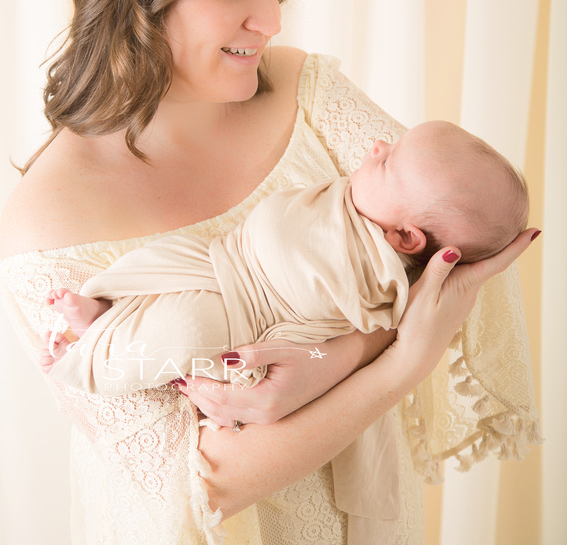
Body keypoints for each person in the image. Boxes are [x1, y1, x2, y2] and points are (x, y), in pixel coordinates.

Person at [0, 0, 540, 545]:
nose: (270, 20)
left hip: (361, 541)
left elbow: (457, 243)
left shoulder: (305, 93)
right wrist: (399, 359)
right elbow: (198, 484)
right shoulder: (46, 224)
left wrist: (333, 358)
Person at [39, 120, 529, 398]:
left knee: (183, 331)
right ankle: (108, 307)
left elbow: (368, 322)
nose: (376, 145)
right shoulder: (353, 197)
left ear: (404, 237)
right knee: (155, 260)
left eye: (387, 160)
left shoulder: (383, 273)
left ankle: (89, 359)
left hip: (248, 318)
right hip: (224, 259)